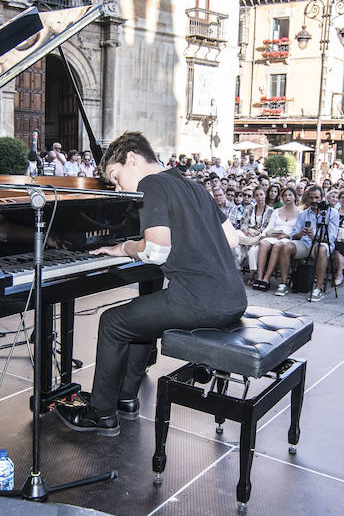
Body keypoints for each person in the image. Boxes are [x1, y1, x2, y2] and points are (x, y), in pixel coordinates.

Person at [52, 131, 246, 435]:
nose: (117, 187)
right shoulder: (193, 186)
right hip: (233, 299)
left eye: (115, 177)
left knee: (112, 322)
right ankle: (126, 398)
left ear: (132, 157)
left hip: (198, 302)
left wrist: (123, 247)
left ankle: (101, 413)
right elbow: (232, 240)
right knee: (139, 319)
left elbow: (156, 252)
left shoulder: (151, 184)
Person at [253, 187, 302, 293]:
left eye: (290, 195)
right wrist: (264, 235)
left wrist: (287, 236)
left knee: (277, 246)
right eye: (285, 195)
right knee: (264, 243)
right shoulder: (276, 211)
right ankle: (260, 277)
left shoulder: (300, 213)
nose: (287, 197)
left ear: (294, 197)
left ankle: (267, 278)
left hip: (288, 238)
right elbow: (269, 227)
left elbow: (298, 231)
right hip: (274, 235)